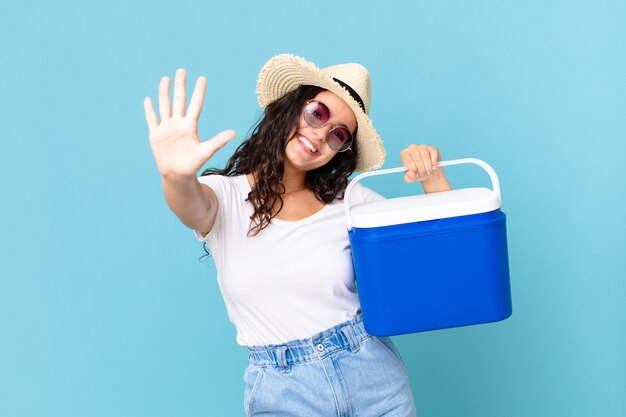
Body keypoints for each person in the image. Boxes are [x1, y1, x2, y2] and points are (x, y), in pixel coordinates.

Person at [143, 54, 451, 417]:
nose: (321, 134)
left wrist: (433, 178)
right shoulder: (224, 197)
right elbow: (190, 206)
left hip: (371, 376)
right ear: (292, 106)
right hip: (283, 389)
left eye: (338, 134)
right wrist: (175, 177)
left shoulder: (350, 200)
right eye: (318, 113)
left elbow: (444, 253)